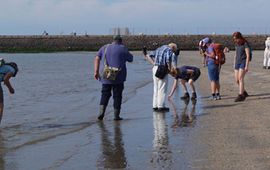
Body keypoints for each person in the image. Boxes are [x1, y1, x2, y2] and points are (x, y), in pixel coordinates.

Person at [94, 35, 133, 120]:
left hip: (106, 75)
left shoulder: (105, 47)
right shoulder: (123, 48)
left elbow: (97, 58)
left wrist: (96, 72)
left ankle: (101, 113)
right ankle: (116, 116)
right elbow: (131, 59)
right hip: (118, 76)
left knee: (105, 94)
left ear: (113, 40)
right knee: (117, 96)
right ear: (121, 41)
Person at [143, 43, 179, 112]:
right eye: (175, 50)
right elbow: (168, 59)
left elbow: (148, 56)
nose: (174, 52)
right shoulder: (169, 50)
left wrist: (153, 63)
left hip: (155, 68)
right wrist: (169, 69)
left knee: (156, 88)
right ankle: (161, 106)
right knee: (162, 88)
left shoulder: (160, 48)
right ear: (173, 47)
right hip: (162, 68)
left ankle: (155, 106)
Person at [232, 32, 251, 102]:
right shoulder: (236, 45)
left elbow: (248, 55)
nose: (235, 40)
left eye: (236, 39)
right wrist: (234, 63)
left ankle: (241, 95)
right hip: (237, 62)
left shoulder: (245, 44)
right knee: (237, 80)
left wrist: (246, 66)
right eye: (234, 39)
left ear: (239, 38)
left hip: (243, 62)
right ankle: (244, 92)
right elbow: (236, 54)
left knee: (240, 78)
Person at [0, 60, 18, 124]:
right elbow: (6, 79)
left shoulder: (4, 67)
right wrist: (10, 89)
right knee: (1, 105)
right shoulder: (12, 70)